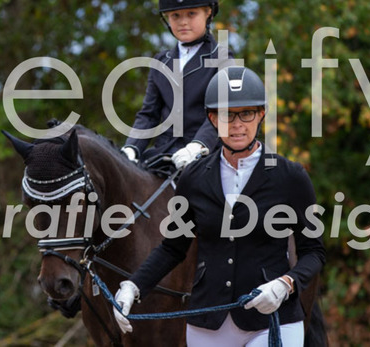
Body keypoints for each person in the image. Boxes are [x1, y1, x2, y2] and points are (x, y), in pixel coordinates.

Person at [113, 66, 326, 346]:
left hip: (274, 318)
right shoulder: (194, 178)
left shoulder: (290, 177)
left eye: (246, 113)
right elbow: (173, 248)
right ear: (213, 118)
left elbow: (314, 252)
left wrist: (286, 284)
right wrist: (134, 285)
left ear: (261, 114)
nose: (237, 124)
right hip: (208, 323)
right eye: (227, 115)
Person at [121, 0, 233, 170]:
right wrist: (131, 147)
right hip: (162, 154)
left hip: (207, 156)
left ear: (208, 12)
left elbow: (223, 112)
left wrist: (197, 146)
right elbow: (149, 115)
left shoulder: (223, 60)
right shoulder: (160, 62)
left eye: (191, 14)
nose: (183, 22)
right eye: (175, 15)